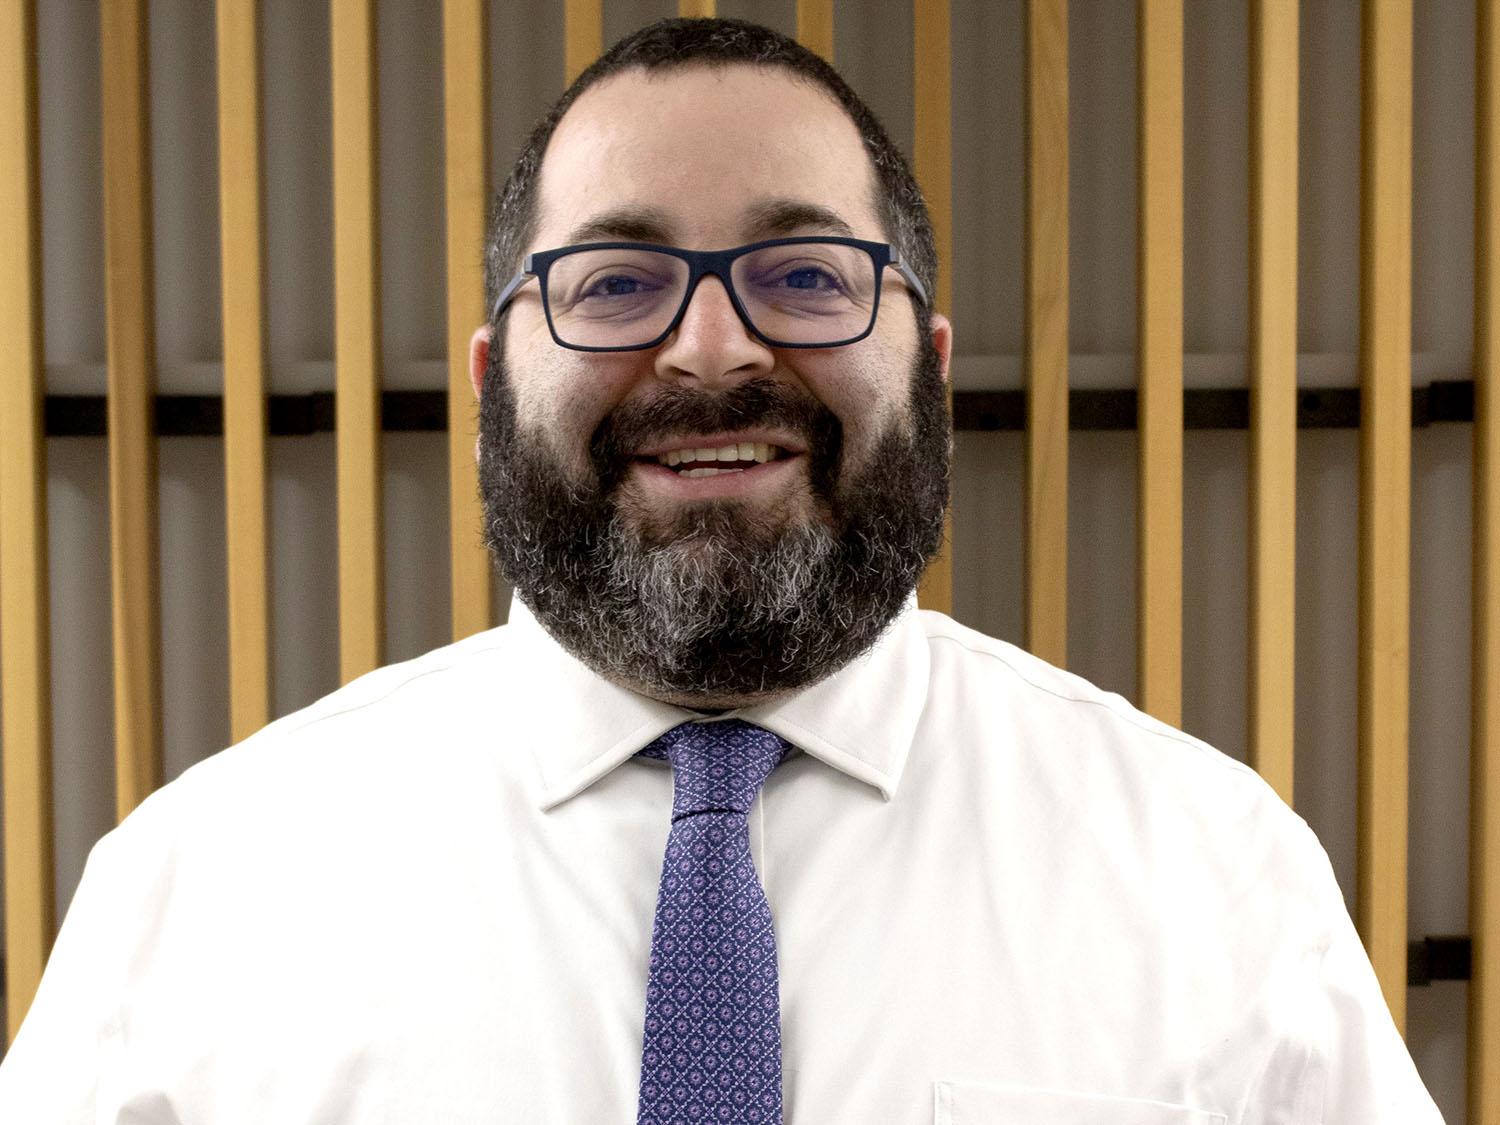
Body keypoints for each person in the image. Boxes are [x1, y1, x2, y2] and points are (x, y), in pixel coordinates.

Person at [0, 16, 1443, 1124]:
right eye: (616, 282)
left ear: (929, 366)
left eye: (806, 273)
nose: (711, 349)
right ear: (495, 380)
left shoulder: (1212, 876)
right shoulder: (196, 898)